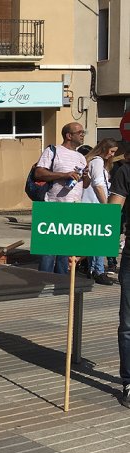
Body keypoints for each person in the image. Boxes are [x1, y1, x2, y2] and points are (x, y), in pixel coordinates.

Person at [34, 122, 90, 274]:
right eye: (79, 132)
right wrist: (64, 175)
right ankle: (42, 281)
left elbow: (85, 185)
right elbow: (38, 173)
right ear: (69, 135)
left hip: (73, 207)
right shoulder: (53, 151)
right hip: (53, 205)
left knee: (65, 250)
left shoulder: (81, 157)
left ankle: (61, 282)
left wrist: (85, 177)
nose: (82, 134)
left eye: (83, 132)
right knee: (49, 250)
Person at [108, 156, 130, 408]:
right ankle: (128, 382)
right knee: (128, 324)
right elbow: (112, 213)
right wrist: (90, 247)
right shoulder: (125, 171)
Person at [82, 138, 119, 285]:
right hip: (96, 205)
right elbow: (98, 184)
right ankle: (98, 271)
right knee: (99, 239)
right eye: (111, 151)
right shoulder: (97, 161)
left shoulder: (94, 161)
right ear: (104, 148)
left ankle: (93, 269)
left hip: (91, 204)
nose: (111, 155)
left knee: (94, 240)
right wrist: (106, 206)